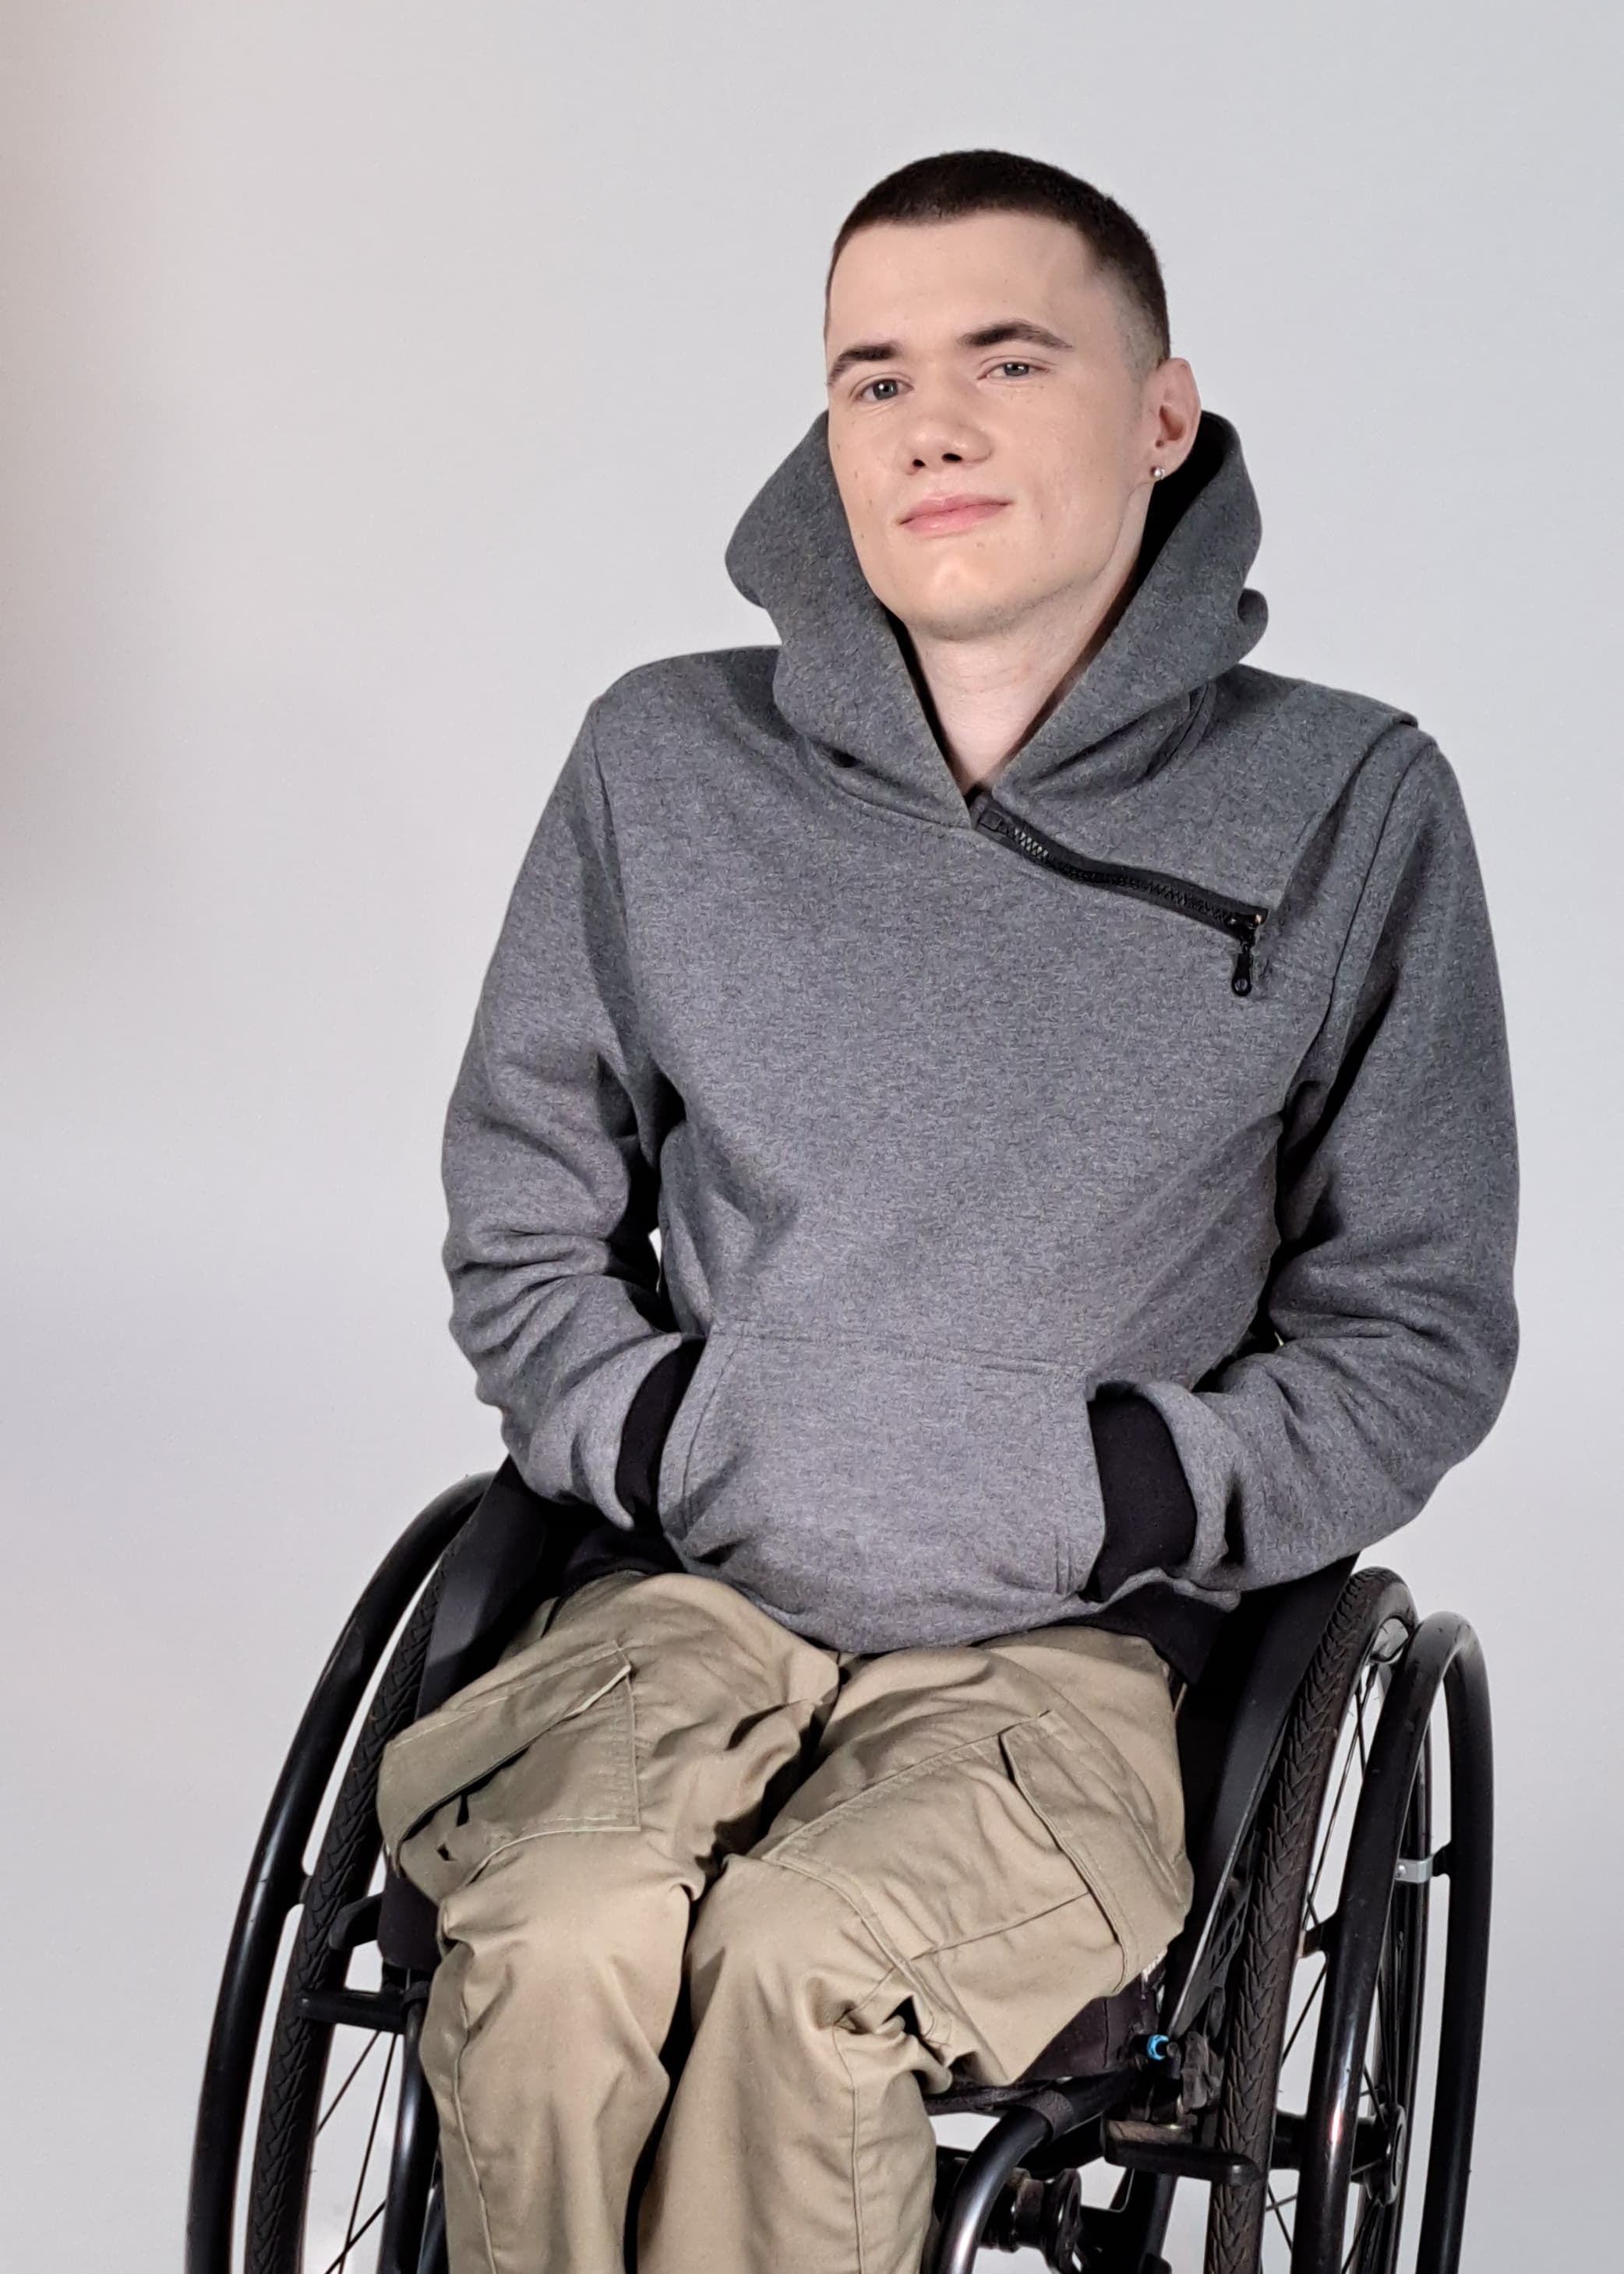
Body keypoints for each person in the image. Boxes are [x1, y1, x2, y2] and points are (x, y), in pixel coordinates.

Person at [375, 147, 1520, 2274]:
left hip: (1068, 1651)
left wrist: (1134, 1488)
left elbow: (1416, 1319)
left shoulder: (1349, 807)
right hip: (679, 1591)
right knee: (550, 1941)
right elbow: (523, 1196)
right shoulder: (661, 760)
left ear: (1158, 415)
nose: (932, 425)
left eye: (1007, 356)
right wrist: (647, 1436)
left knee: (808, 1968)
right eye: (870, 373)